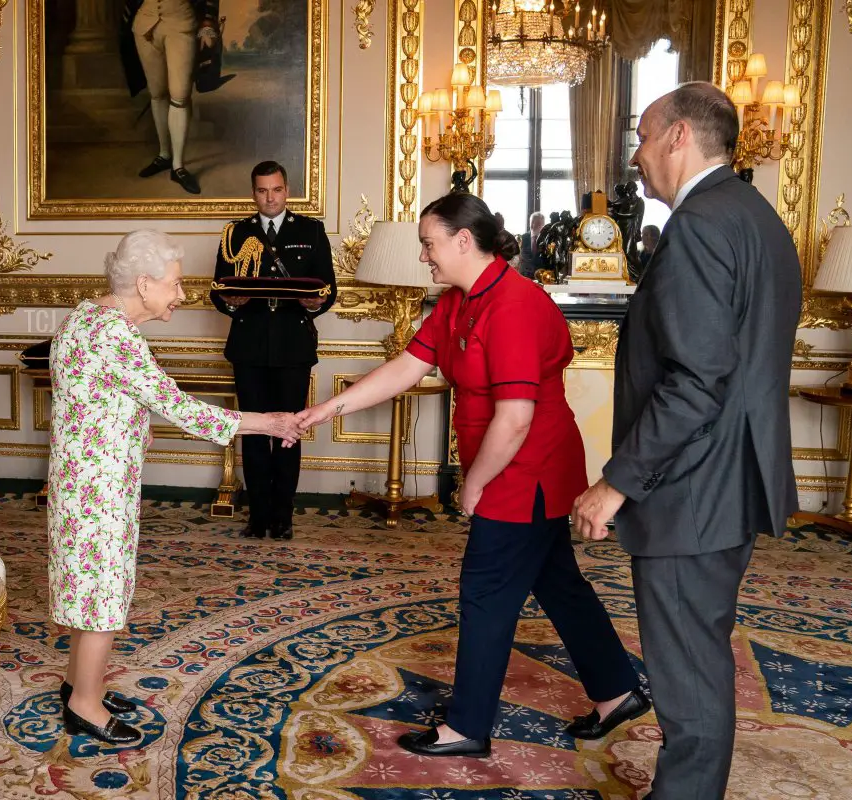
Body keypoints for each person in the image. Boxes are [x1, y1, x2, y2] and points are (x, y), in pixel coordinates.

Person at [296, 193, 647, 758]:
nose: (424, 257)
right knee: (557, 582)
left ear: (464, 240)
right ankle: (616, 693)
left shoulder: (515, 305)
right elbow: (405, 368)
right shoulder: (460, 302)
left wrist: (473, 483)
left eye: (429, 245)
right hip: (513, 461)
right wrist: (324, 411)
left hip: (524, 465)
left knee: (485, 593)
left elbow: (514, 419)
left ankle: (466, 727)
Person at [571, 82, 800, 800]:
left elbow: (696, 381)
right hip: (734, 478)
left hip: (691, 488)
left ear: (678, 137)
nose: (636, 156)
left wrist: (615, 483)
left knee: (689, 679)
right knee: (699, 659)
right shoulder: (758, 217)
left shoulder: (700, 224)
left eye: (642, 137)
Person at [49, 229, 301, 746]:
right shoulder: (115, 335)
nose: (182, 294)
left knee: (88, 584)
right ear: (143, 284)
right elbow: (181, 408)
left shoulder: (84, 315)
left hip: (78, 479)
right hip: (100, 487)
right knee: (103, 591)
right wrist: (270, 423)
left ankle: (80, 681)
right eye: (175, 283)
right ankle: (85, 704)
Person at [211, 160, 337, 541]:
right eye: (263, 190)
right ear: (254, 193)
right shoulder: (235, 234)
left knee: (288, 432)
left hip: (292, 347)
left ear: (287, 190)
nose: (270, 197)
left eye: (277, 189)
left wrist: (316, 304)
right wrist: (232, 301)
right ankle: (258, 516)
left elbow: (328, 288)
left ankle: (283, 516)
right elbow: (218, 289)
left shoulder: (311, 231)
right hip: (249, 347)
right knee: (252, 432)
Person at [121, 0, 220, 195]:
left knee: (180, 96)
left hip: (181, 23)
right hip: (145, 26)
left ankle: (178, 166)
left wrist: (208, 22)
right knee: (157, 94)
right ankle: (164, 155)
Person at [519, 211, 546, 278]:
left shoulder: (546, 238)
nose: (533, 225)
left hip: (541, 275)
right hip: (524, 275)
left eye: (537, 223)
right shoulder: (523, 237)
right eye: (532, 222)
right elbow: (522, 257)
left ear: (543, 224)